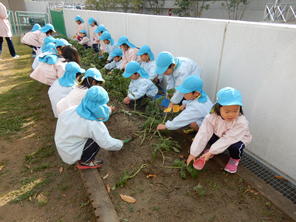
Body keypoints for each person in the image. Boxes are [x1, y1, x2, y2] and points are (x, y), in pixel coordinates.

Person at [54, 86, 124, 169]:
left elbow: (98, 108)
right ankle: (85, 162)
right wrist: (120, 144)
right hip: (70, 153)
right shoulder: (93, 124)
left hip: (63, 146)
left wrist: (108, 110)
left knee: (94, 135)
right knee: (96, 139)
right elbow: (106, 143)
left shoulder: (72, 109)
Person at [186, 87, 252, 174]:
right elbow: (203, 134)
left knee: (236, 147)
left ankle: (234, 159)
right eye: (227, 111)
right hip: (220, 134)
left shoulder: (241, 122)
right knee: (209, 136)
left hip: (237, 138)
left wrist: (211, 151)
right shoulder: (211, 117)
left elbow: (229, 138)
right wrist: (193, 153)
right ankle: (214, 151)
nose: (231, 114)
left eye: (235, 111)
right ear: (218, 108)